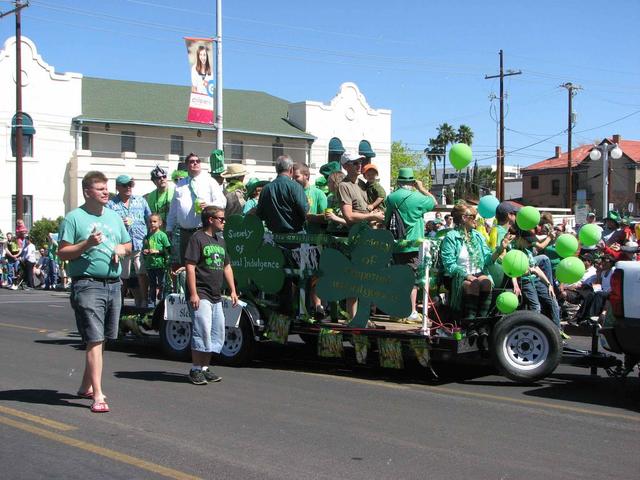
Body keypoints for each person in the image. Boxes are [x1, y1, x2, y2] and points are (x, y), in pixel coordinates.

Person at [58, 170, 132, 413]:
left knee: (103, 339)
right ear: (87, 192)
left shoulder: (113, 217)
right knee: (94, 338)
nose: (105, 192)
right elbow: (63, 252)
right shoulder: (74, 218)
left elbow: (128, 244)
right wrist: (87, 244)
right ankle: (98, 395)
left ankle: (85, 385)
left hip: (113, 284)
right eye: (100, 189)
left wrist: (121, 249)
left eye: (106, 188)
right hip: (87, 284)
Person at [439, 201, 512, 341]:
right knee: (474, 284)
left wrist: (500, 248)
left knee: (486, 282)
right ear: (464, 218)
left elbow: (487, 260)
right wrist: (466, 275)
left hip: (477, 273)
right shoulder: (451, 237)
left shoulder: (477, 236)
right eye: (473, 216)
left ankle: (482, 324)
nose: (477, 220)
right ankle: (470, 325)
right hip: (459, 275)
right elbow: (449, 265)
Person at [184, 206, 238, 385]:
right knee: (202, 329)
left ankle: (205, 368)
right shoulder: (197, 238)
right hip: (201, 292)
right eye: (221, 219)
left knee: (216, 331)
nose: (224, 222)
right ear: (210, 219)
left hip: (216, 294)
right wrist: (193, 293)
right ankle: (195, 369)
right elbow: (190, 267)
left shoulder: (220, 241)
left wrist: (232, 290)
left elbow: (226, 266)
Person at [384, 167, 436, 320]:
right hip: (413, 244)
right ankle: (410, 311)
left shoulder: (391, 197)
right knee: (411, 279)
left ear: (398, 181)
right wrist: (421, 188)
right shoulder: (418, 197)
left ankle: (395, 311)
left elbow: (386, 219)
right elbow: (433, 202)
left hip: (396, 243)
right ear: (412, 182)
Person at [167, 152, 227, 265]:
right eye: (191, 161)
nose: (195, 163)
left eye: (197, 161)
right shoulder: (180, 184)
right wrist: (169, 228)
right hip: (185, 233)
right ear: (187, 165)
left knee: (204, 265)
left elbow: (223, 203)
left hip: (203, 231)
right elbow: (174, 209)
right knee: (186, 266)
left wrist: (208, 205)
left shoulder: (209, 181)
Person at [107, 175, 152, 307]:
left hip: (139, 241)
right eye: (125, 185)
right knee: (123, 275)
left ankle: (145, 300)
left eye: (130, 185)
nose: (128, 188)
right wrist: (120, 222)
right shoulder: (111, 204)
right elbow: (108, 223)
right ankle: (118, 303)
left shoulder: (140, 201)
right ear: (117, 187)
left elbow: (149, 218)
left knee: (141, 271)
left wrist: (149, 237)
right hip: (121, 243)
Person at [256, 155, 309, 234]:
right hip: (295, 239)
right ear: (291, 169)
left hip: (274, 239)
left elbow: (260, 214)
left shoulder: (266, 189)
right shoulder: (296, 187)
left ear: (276, 169)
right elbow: (305, 211)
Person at [337, 152, 384, 228]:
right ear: (345, 166)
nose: (359, 165)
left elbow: (368, 205)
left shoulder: (362, 183)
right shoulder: (344, 186)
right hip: (358, 232)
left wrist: (375, 212)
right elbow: (349, 217)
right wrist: (371, 216)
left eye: (360, 162)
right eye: (355, 163)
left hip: (369, 229)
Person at [143, 214, 171, 306]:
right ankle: (152, 303)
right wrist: (145, 251)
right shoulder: (147, 236)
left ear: (160, 223)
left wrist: (157, 251)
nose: (152, 224)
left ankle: (162, 303)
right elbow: (144, 249)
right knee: (152, 284)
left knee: (162, 283)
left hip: (160, 264)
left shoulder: (162, 235)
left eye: (154, 221)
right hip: (150, 264)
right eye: (150, 222)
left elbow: (168, 250)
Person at [293, 162, 327, 234]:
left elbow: (326, 217)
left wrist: (310, 217)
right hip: (295, 239)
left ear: (306, 175)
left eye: (296, 177)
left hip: (313, 240)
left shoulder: (318, 193)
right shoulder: (291, 193)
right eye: (292, 178)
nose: (293, 180)